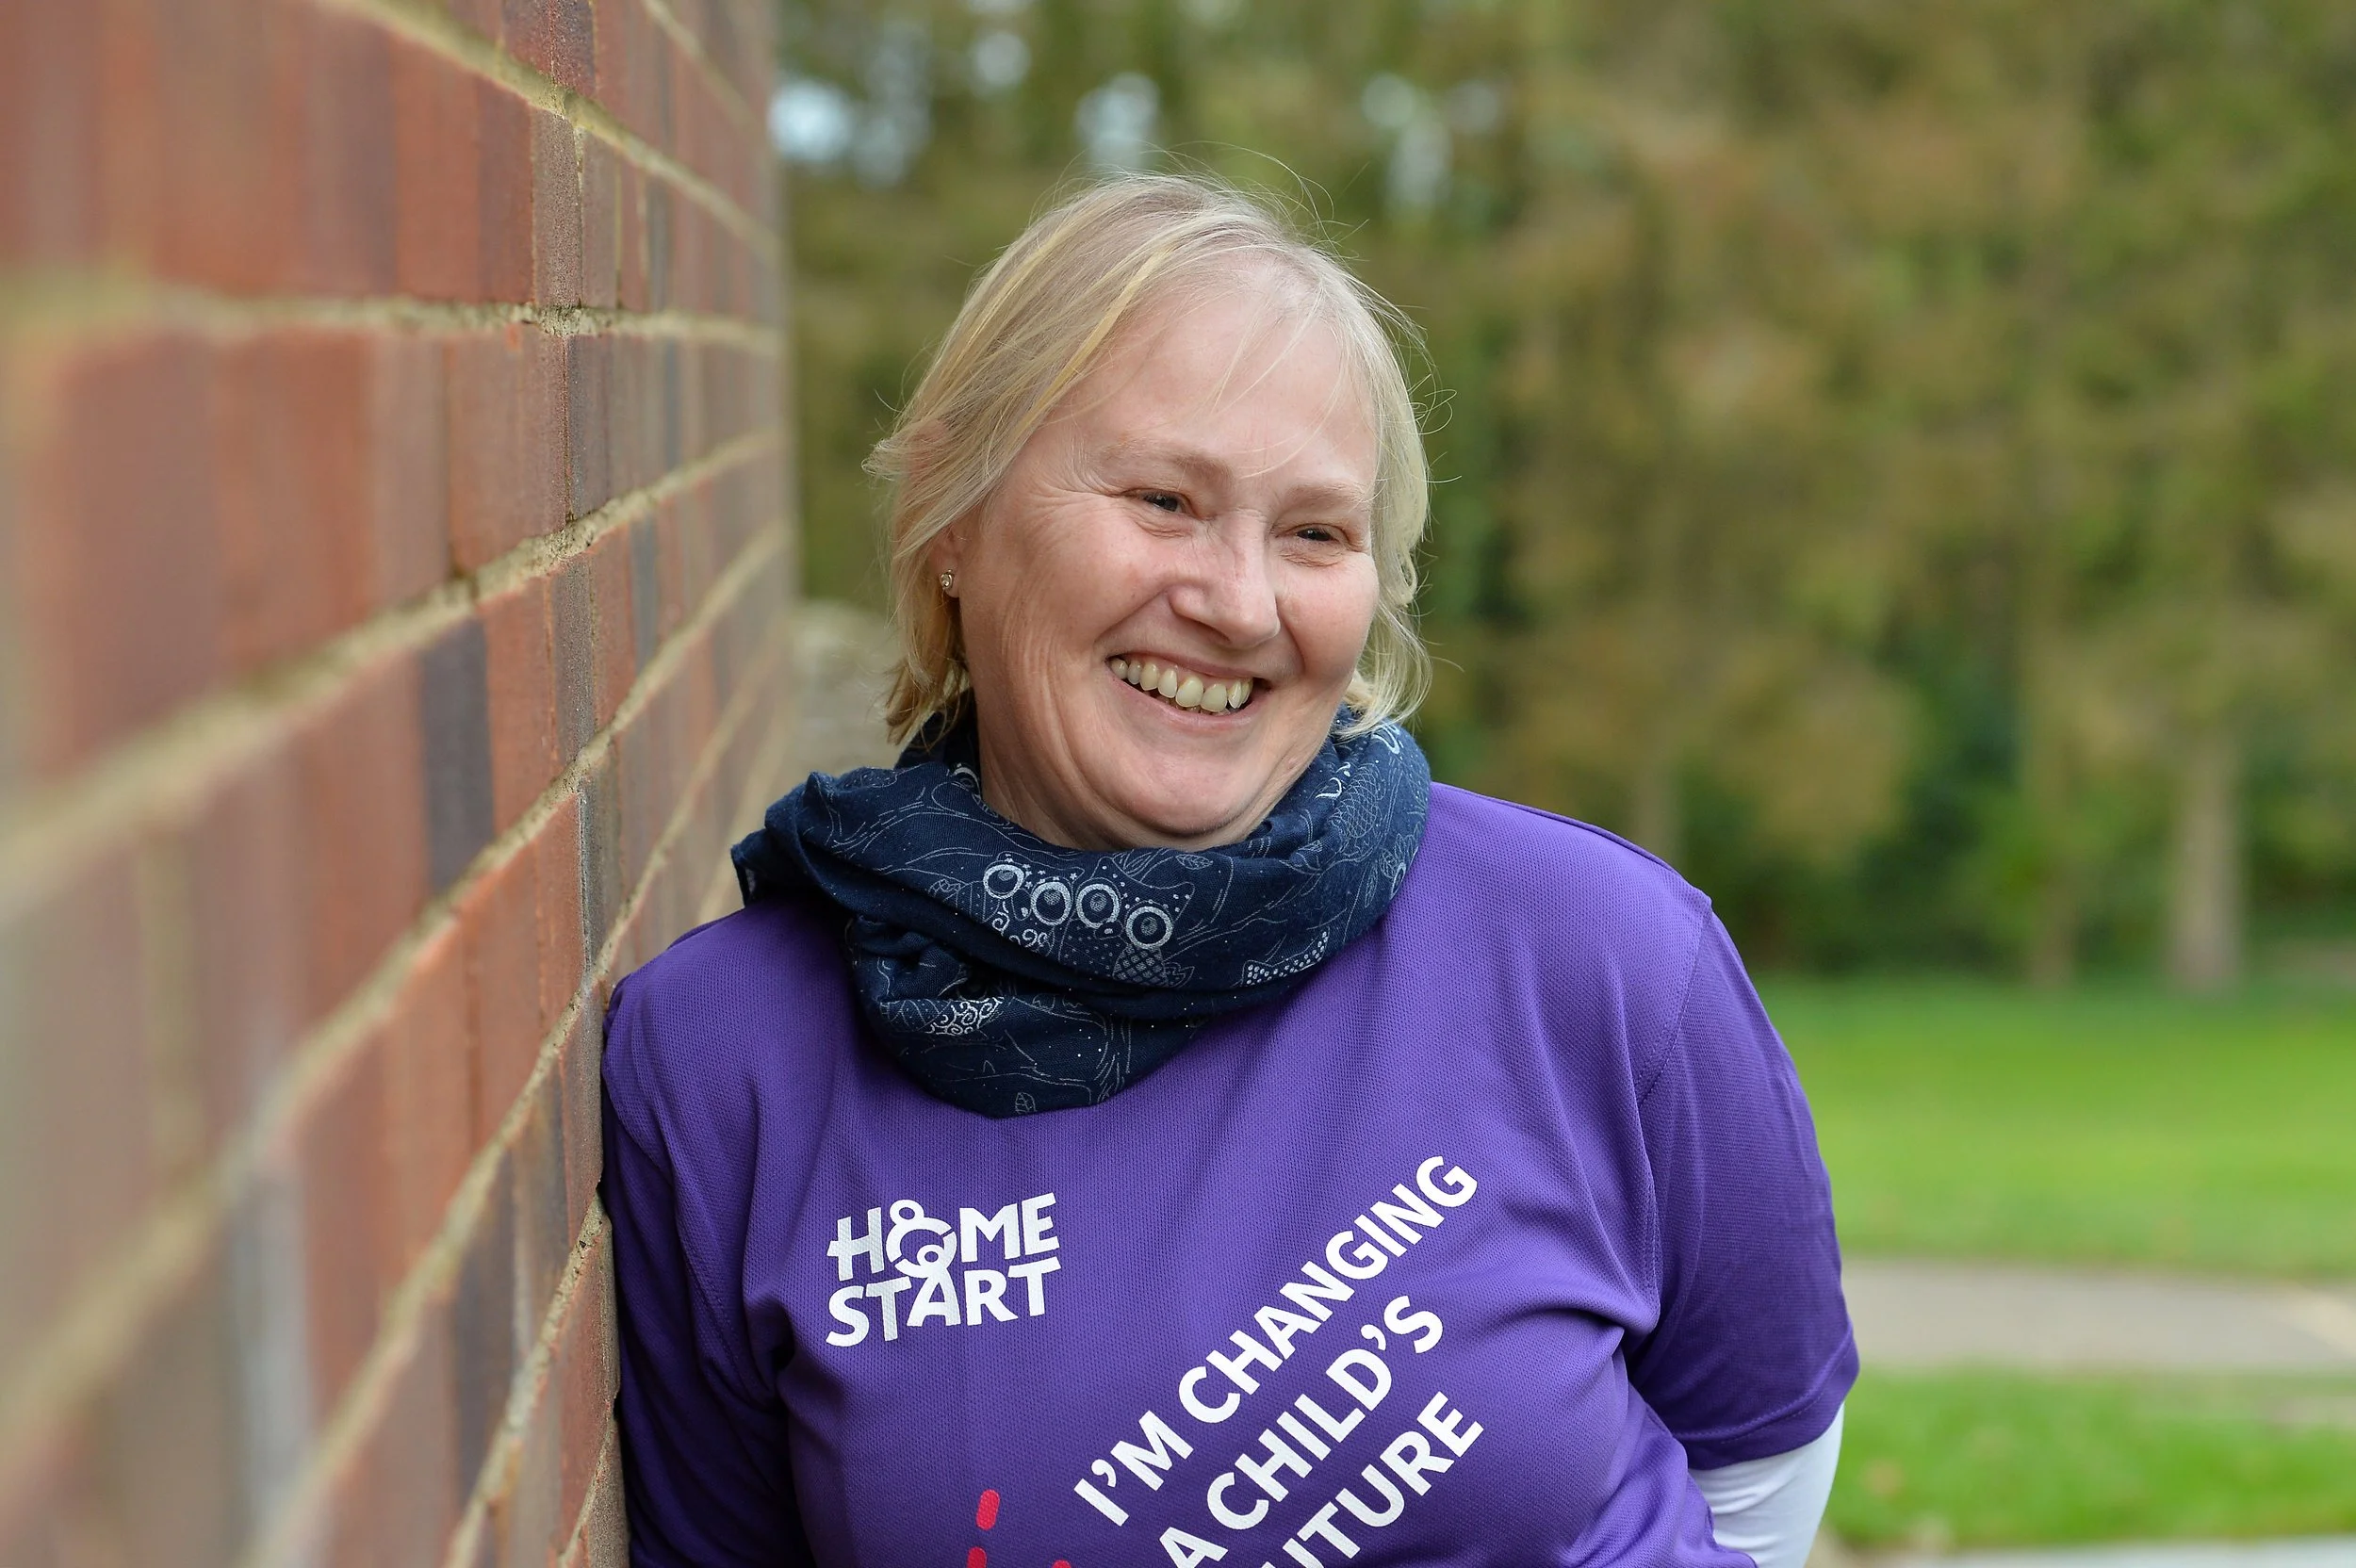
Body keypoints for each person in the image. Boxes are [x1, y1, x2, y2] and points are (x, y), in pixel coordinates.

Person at [601, 174, 1855, 1568]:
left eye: (1315, 532)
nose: (1240, 603)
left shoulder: (1602, 952)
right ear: (952, 519)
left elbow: (1760, 1471)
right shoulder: (722, 1063)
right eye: (1165, 499)